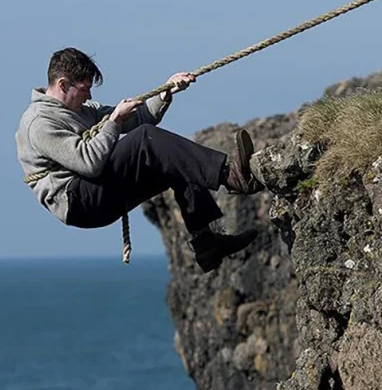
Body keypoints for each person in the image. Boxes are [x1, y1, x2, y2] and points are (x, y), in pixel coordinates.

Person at [16, 47, 263, 272]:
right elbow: (87, 163)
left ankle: (205, 243)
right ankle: (233, 177)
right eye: (84, 88)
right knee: (146, 139)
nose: (89, 94)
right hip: (78, 201)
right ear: (62, 84)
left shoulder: (83, 110)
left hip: (93, 191)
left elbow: (140, 117)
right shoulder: (39, 123)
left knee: (172, 160)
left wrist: (167, 92)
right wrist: (114, 122)